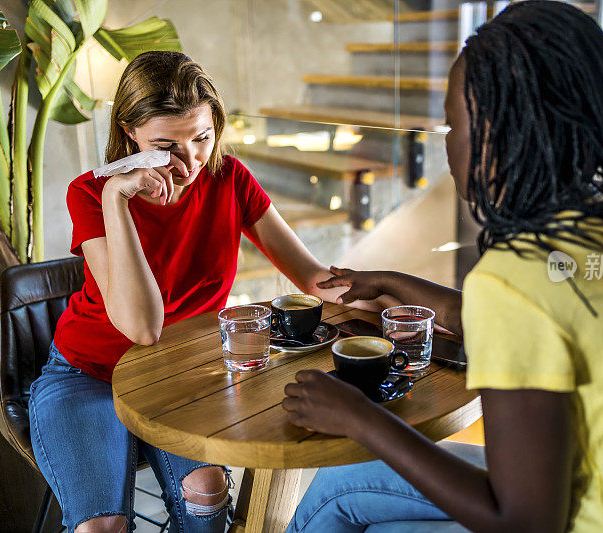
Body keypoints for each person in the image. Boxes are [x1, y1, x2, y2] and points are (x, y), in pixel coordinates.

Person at [281, 2, 603, 531]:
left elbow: (523, 522)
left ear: (496, 138)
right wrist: (392, 282)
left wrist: (359, 417)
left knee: (338, 503)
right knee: (339, 485)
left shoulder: (515, 276)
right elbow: (532, 321)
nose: (448, 142)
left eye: (452, 124)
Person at [28, 51, 363, 533]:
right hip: (89, 373)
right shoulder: (90, 192)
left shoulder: (230, 178)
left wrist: (399, 299)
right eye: (166, 146)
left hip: (182, 373)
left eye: (202, 137)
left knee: (206, 491)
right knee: (102, 527)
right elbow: (143, 327)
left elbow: (314, 281)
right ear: (129, 133)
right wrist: (115, 200)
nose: (189, 162)